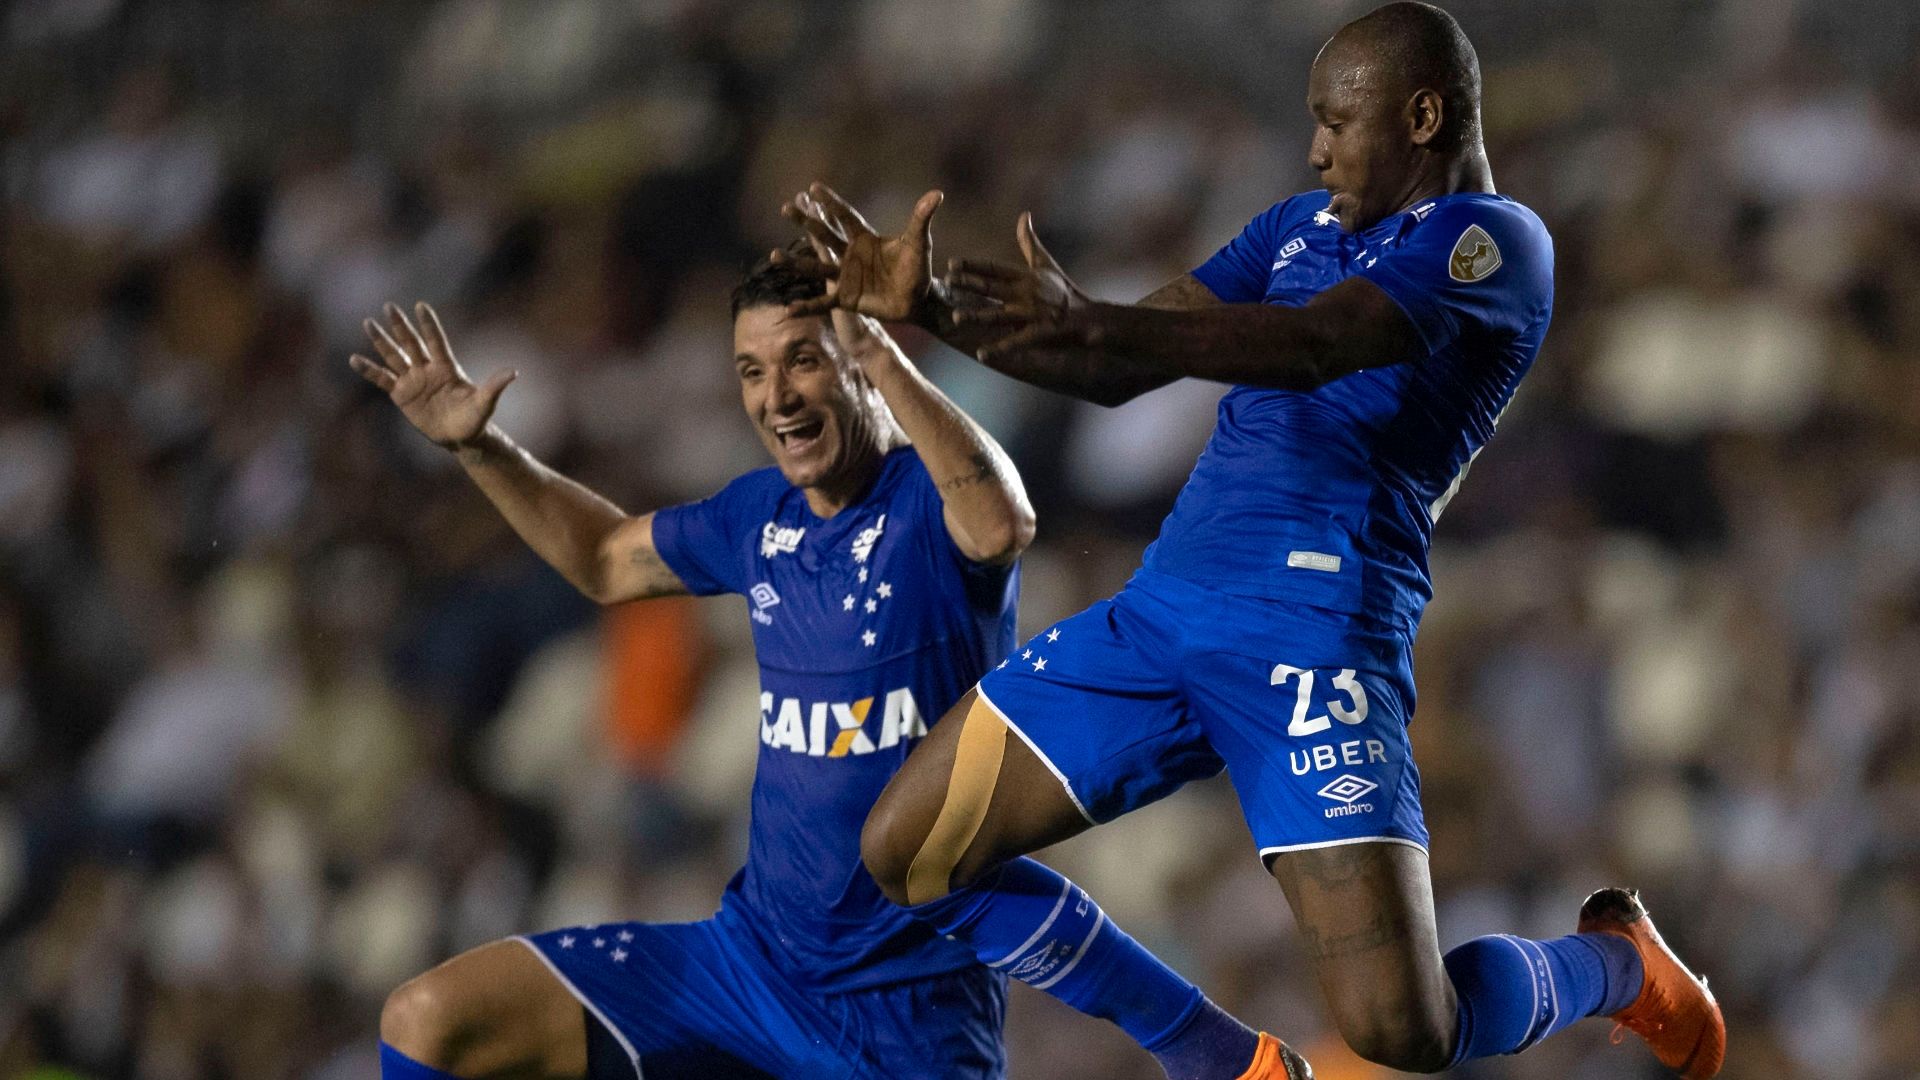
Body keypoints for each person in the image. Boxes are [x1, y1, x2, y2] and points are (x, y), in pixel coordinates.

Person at [780, 3, 1725, 1077]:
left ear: (1422, 117)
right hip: (1164, 609)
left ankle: (1615, 965)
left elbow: (1320, 345)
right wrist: (937, 308)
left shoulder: (1498, 246)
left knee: (1401, 1031)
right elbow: (1118, 367)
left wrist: (1102, 318)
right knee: (907, 852)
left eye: (1337, 121)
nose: (1315, 146)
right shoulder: (1294, 228)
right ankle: (1222, 1060)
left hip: (1314, 633)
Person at [350, 253, 1293, 1079]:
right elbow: (603, 559)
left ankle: (1211, 1052)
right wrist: (479, 446)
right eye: (752, 371)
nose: (777, 395)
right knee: (429, 1021)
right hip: (745, 967)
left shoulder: (926, 496)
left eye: (804, 358)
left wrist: (889, 356)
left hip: (909, 1018)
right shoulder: (758, 517)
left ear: (860, 360)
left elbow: (1003, 524)